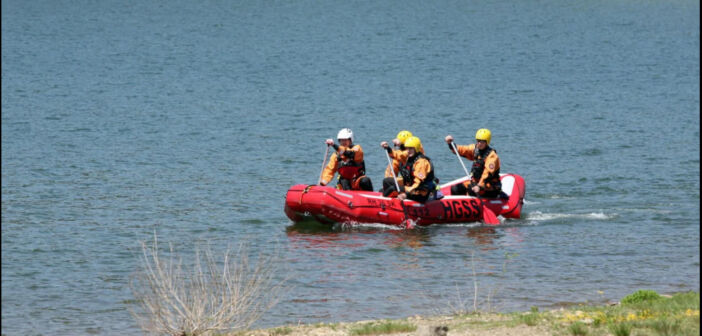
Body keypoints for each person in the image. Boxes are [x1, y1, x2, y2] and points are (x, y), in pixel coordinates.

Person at [445, 128, 502, 198]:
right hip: (476, 182)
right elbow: (461, 149)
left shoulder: (492, 156)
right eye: (478, 141)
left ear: (487, 142)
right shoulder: (475, 149)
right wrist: (451, 144)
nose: (479, 143)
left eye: (482, 142)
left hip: (489, 185)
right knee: (455, 189)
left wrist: (479, 186)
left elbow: (487, 174)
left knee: (471, 190)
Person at [382, 136, 436, 203]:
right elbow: (398, 155)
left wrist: (406, 194)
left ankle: (384, 202)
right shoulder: (409, 155)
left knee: (393, 189)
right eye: (407, 148)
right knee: (387, 181)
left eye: (410, 148)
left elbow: (418, 184)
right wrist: (388, 148)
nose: (408, 150)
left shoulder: (421, 162)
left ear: (416, 148)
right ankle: (388, 196)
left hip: (420, 192)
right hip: (410, 187)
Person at [380, 130, 416, 196]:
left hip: (414, 185)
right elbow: (391, 171)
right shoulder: (399, 156)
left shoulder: (414, 153)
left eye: (402, 146)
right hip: (407, 182)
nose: (400, 147)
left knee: (390, 189)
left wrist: (389, 149)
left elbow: (401, 155)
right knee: (386, 183)